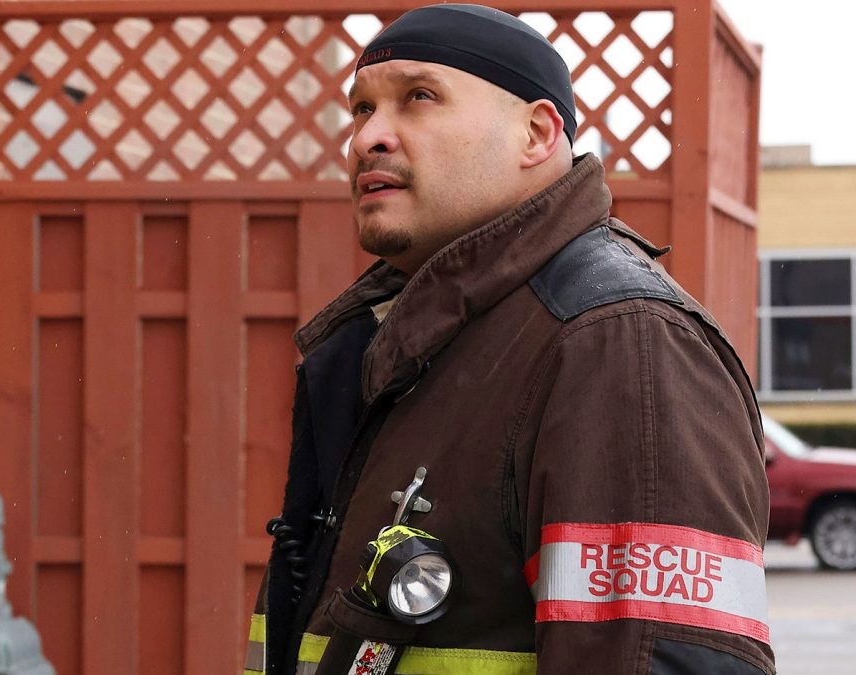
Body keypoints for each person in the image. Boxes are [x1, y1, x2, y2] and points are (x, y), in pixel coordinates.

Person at [246, 4, 775, 674]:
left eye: (418, 98)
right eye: (360, 110)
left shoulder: (619, 344)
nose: (367, 138)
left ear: (535, 134)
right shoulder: (408, 340)